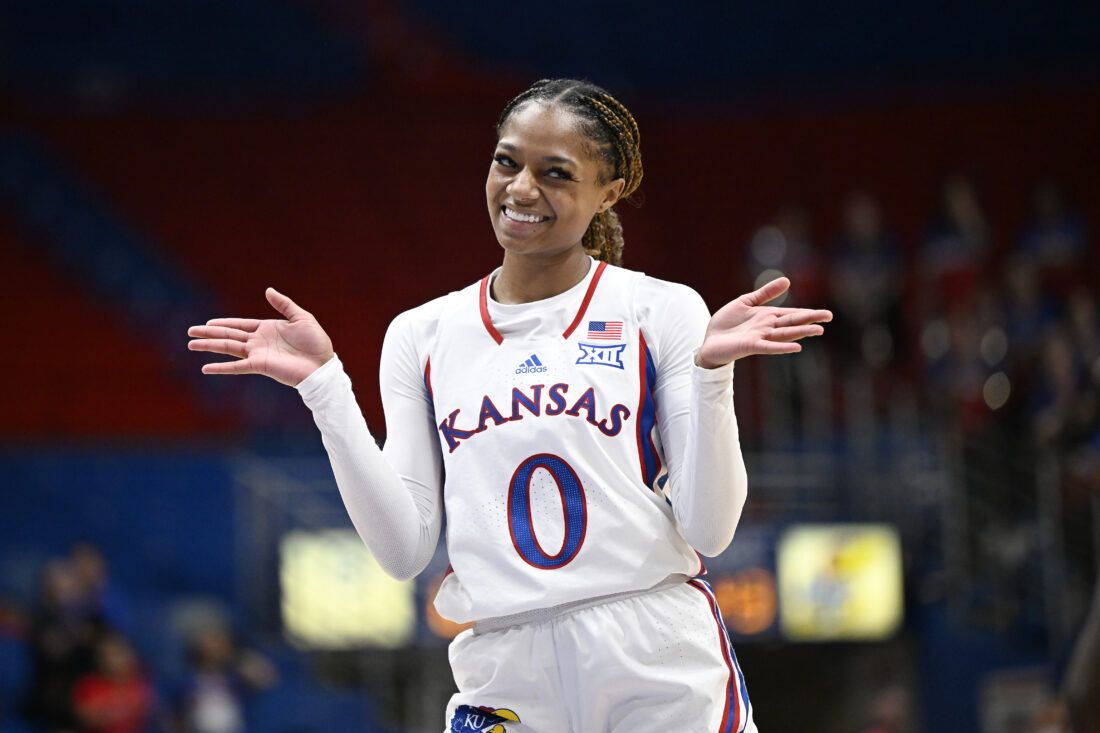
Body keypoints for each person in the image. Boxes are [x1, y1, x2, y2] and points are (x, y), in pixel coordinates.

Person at [187, 78, 831, 732]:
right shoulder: (421, 333)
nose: (521, 188)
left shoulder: (660, 309)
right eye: (507, 161)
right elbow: (404, 548)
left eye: (555, 173)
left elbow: (712, 528)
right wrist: (325, 388)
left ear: (607, 192)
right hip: (504, 663)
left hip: (652, 648)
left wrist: (712, 375)